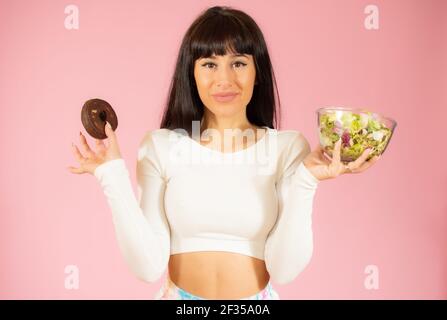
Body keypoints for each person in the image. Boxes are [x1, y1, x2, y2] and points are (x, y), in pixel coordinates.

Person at [68, 6, 379, 300]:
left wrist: (308, 179)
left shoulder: (287, 148)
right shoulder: (160, 147)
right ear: (191, 73)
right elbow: (147, 266)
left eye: (239, 63)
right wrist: (110, 174)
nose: (224, 80)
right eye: (209, 64)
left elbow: (285, 270)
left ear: (259, 72)